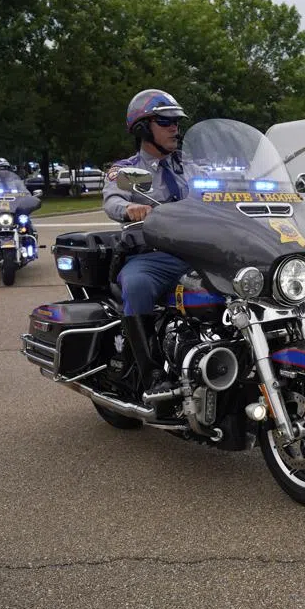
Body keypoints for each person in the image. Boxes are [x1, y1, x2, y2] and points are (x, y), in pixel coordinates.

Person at [102, 88, 193, 396]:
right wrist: (128, 208)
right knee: (137, 284)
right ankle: (152, 373)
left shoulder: (189, 166)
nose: (174, 128)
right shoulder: (132, 172)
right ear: (143, 127)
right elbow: (113, 198)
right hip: (151, 257)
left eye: (176, 122)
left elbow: (225, 191)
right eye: (165, 121)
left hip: (197, 253)